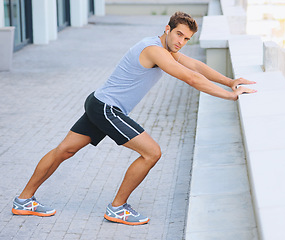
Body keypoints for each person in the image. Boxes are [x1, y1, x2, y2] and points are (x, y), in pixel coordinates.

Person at [11, 11, 256, 225]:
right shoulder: (154, 50)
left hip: (98, 101)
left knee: (63, 151)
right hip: (107, 108)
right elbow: (190, 78)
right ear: (167, 29)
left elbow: (195, 66)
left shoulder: (163, 48)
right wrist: (231, 96)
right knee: (152, 152)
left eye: (186, 39)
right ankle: (117, 208)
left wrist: (230, 81)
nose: (181, 42)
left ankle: (23, 201)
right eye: (179, 34)